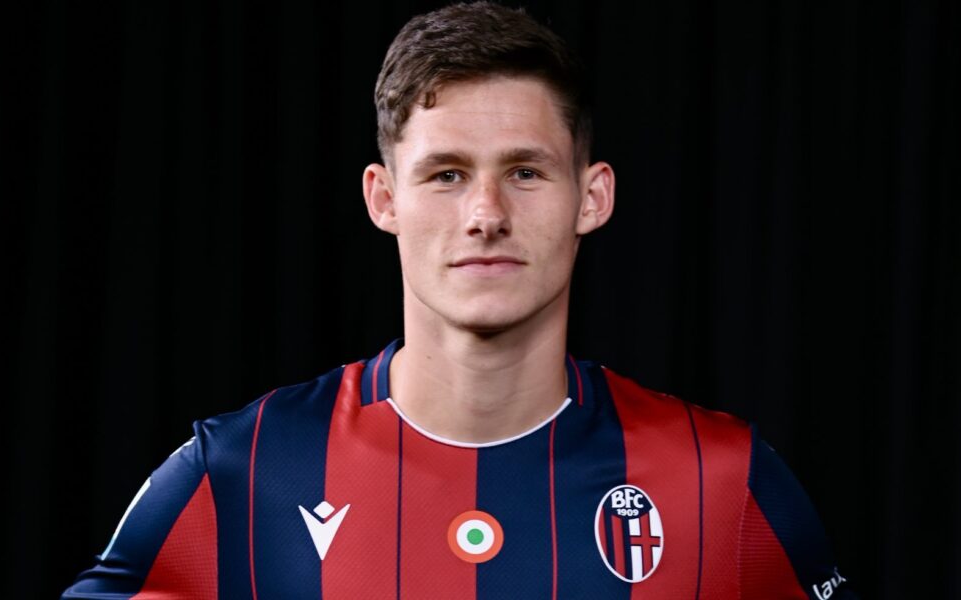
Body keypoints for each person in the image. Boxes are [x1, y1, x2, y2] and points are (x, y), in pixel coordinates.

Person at [64, 2, 854, 598]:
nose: (485, 214)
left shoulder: (723, 480)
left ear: (592, 197)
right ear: (384, 199)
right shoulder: (243, 470)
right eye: (446, 174)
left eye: (525, 172)